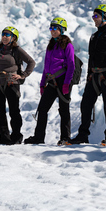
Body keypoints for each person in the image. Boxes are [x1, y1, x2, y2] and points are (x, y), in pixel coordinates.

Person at [70, 4, 106, 146]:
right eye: (93, 16)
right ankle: (83, 135)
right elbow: (91, 57)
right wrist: (89, 75)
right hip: (94, 76)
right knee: (86, 105)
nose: (93, 19)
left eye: (96, 16)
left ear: (105, 17)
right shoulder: (94, 36)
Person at [25, 17, 76, 146]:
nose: (52, 31)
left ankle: (65, 138)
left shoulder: (67, 45)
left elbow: (71, 65)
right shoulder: (51, 45)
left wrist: (66, 83)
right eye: (51, 28)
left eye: (55, 28)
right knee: (42, 109)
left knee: (64, 109)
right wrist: (43, 83)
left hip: (63, 80)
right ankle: (39, 137)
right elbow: (46, 67)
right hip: (51, 81)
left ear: (62, 30)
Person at [0, 26, 36, 145]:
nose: (4, 37)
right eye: (3, 34)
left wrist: (23, 75)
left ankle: (16, 137)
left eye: (7, 35)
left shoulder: (16, 50)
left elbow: (31, 62)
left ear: (13, 38)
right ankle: (4, 138)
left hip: (12, 83)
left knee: (14, 111)